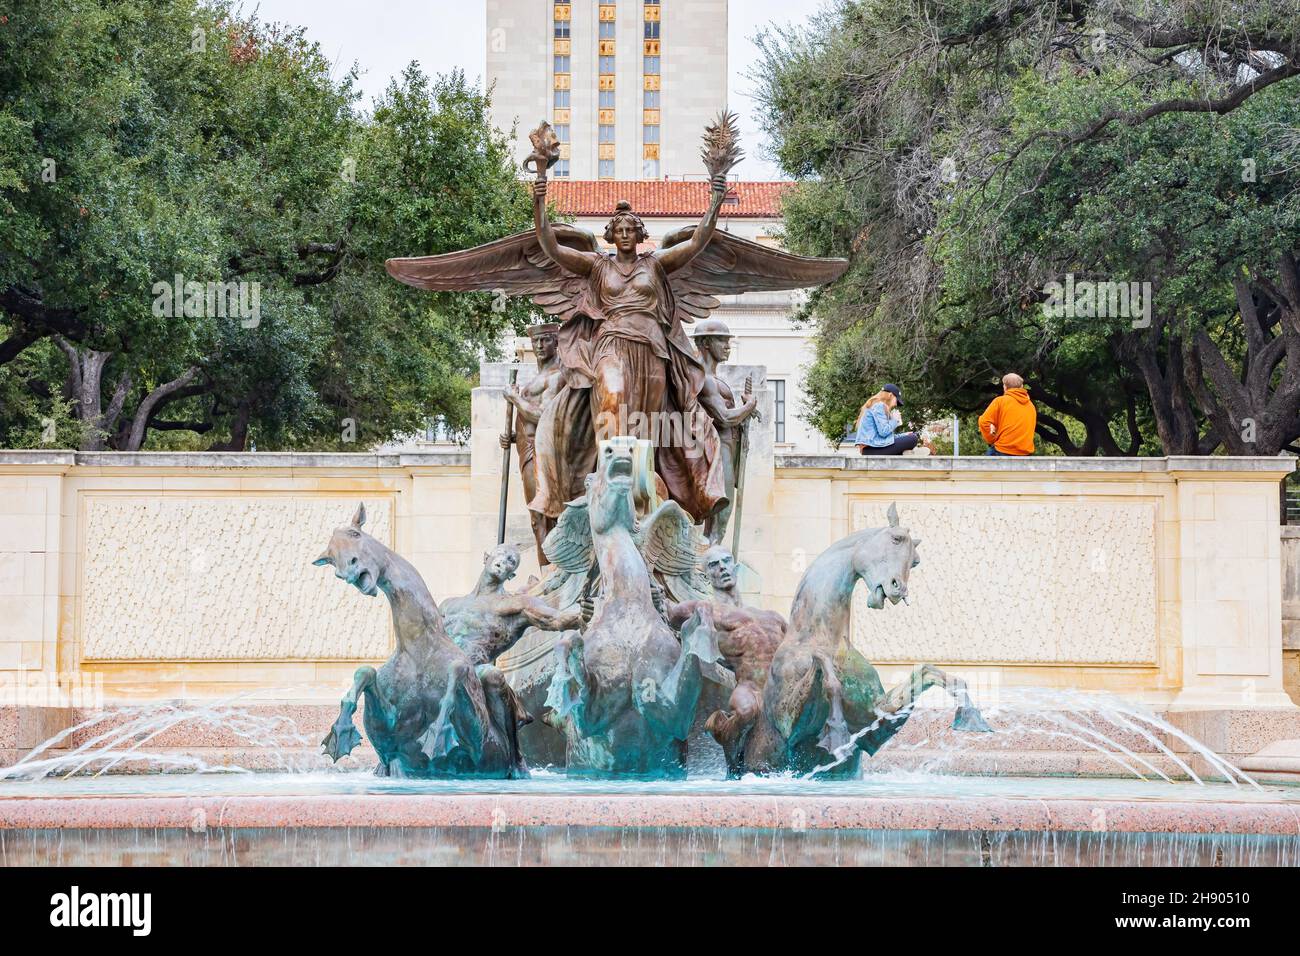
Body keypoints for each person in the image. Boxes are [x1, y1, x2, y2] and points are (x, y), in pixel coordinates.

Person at [853, 384, 924, 455]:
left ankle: (906, 452)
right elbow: (884, 432)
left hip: (873, 447)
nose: (896, 404)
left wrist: (904, 435)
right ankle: (909, 452)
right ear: (890, 395)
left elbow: (886, 438)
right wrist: (895, 420)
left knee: (910, 436)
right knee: (913, 439)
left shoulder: (876, 405)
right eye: (896, 400)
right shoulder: (879, 406)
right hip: (872, 449)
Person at [978, 373, 1037, 456]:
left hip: (1003, 450)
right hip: (1025, 453)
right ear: (1022, 386)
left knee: (982, 466)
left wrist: (992, 439)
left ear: (1005, 387)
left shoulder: (1000, 401)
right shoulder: (1031, 406)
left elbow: (983, 421)